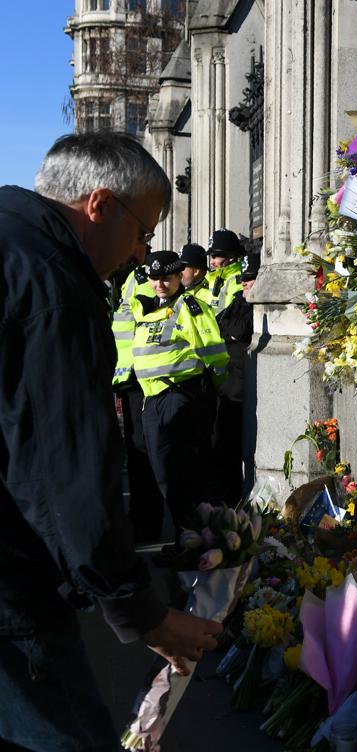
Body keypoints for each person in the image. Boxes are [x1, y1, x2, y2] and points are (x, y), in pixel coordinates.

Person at [0, 132, 220, 751]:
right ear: (99, 205)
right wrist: (140, 611)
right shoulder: (52, 285)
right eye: (143, 231)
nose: (141, 251)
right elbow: (64, 466)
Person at [132, 251, 229, 528]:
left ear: (178, 276)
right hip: (151, 400)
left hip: (180, 397)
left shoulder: (190, 307)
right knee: (162, 472)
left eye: (166, 278)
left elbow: (215, 355)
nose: (159, 284)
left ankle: (192, 537)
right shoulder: (147, 309)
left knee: (184, 472)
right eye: (154, 279)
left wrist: (207, 391)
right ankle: (185, 533)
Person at [111, 263, 165, 543]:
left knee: (143, 452)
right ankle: (140, 518)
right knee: (136, 452)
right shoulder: (132, 277)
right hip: (128, 378)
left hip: (141, 378)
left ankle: (146, 523)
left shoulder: (145, 278)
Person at [214, 253, 258, 503]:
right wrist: (231, 334)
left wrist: (231, 333)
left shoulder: (254, 304)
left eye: (249, 280)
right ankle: (228, 501)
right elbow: (219, 324)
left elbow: (241, 329)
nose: (244, 284)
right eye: (243, 280)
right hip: (228, 385)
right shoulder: (239, 300)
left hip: (242, 386)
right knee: (225, 445)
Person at [204, 228, 243, 315]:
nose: (211, 262)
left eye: (215, 256)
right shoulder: (213, 276)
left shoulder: (237, 281)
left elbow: (231, 317)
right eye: (211, 257)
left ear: (231, 257)